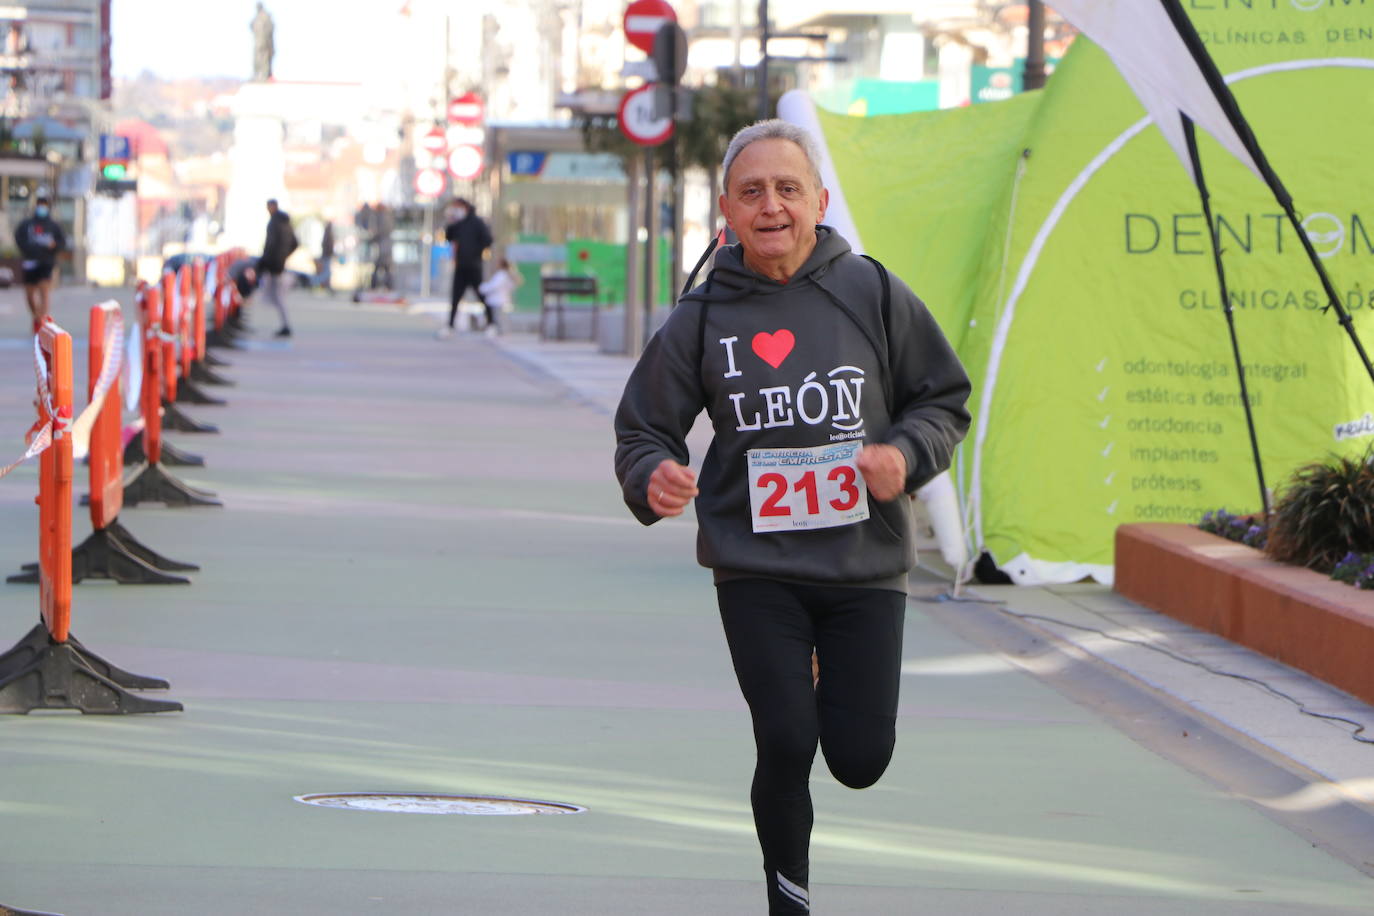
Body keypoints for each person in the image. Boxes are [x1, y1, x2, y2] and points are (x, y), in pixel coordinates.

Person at [614, 119, 971, 915]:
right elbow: (642, 427)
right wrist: (655, 477)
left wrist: (904, 456)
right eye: (752, 192)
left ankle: (825, 675)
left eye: (786, 189)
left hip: (863, 567)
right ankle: (789, 904)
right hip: (758, 565)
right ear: (728, 213)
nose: (770, 206)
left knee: (858, 758)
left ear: (820, 200)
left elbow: (941, 399)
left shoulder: (871, 292)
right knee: (784, 737)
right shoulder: (703, 316)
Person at [440, 197, 493, 337]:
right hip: (460, 266)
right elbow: (448, 237)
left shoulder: (478, 223)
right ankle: (450, 325)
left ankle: (492, 323)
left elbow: (488, 240)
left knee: (482, 295)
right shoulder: (458, 224)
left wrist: (476, 251)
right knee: (455, 297)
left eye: (458, 207)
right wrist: (451, 221)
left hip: (474, 266)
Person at [14, 194, 67, 333]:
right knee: (30, 294)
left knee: (44, 290)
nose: (41, 207)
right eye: (40, 204)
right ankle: (36, 316)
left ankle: (42, 320)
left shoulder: (54, 225)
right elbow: (18, 238)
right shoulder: (27, 224)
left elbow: (62, 242)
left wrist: (54, 246)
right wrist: (28, 249)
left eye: (44, 205)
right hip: (30, 262)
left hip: (46, 262)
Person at [258, 198, 297, 337]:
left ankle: (286, 325)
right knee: (276, 296)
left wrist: (265, 262)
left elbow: (270, 245)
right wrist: (284, 256)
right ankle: (285, 325)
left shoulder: (274, 223)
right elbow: (295, 243)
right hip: (279, 263)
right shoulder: (286, 223)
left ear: (272, 207)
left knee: (277, 297)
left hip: (274, 264)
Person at [476, 255, 519, 337]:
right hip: (501, 300)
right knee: (500, 318)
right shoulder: (506, 275)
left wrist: (482, 288)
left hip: (497, 300)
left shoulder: (501, 275)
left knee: (498, 319)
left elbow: (493, 286)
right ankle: (501, 332)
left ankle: (500, 333)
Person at [315, 220, 334, 294]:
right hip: (326, 255)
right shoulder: (328, 234)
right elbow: (327, 246)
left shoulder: (327, 234)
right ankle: (315, 282)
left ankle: (326, 285)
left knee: (326, 272)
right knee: (326, 273)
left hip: (326, 255)